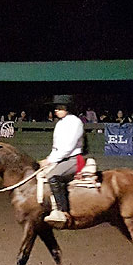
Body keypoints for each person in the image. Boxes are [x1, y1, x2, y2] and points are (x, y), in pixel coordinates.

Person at [39, 95, 84, 223]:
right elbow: (56, 147)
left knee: (53, 176)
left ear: (66, 108)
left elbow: (68, 146)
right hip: (61, 158)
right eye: (56, 108)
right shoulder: (59, 124)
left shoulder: (75, 122)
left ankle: (63, 211)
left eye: (59, 108)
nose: (56, 110)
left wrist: (50, 160)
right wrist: (49, 159)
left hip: (73, 159)